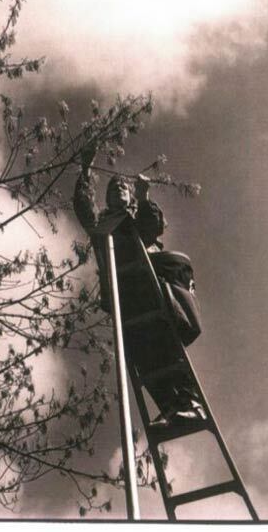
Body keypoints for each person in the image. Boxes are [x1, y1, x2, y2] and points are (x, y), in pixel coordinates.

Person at [73, 145, 204, 427]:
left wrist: (145, 197)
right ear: (107, 199)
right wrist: (85, 169)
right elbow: (84, 207)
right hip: (125, 299)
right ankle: (172, 406)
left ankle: (189, 401)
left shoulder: (137, 218)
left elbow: (153, 227)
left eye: (124, 187)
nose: (119, 188)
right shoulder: (102, 224)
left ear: (129, 196)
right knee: (141, 353)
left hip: (149, 291)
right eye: (113, 188)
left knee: (163, 340)